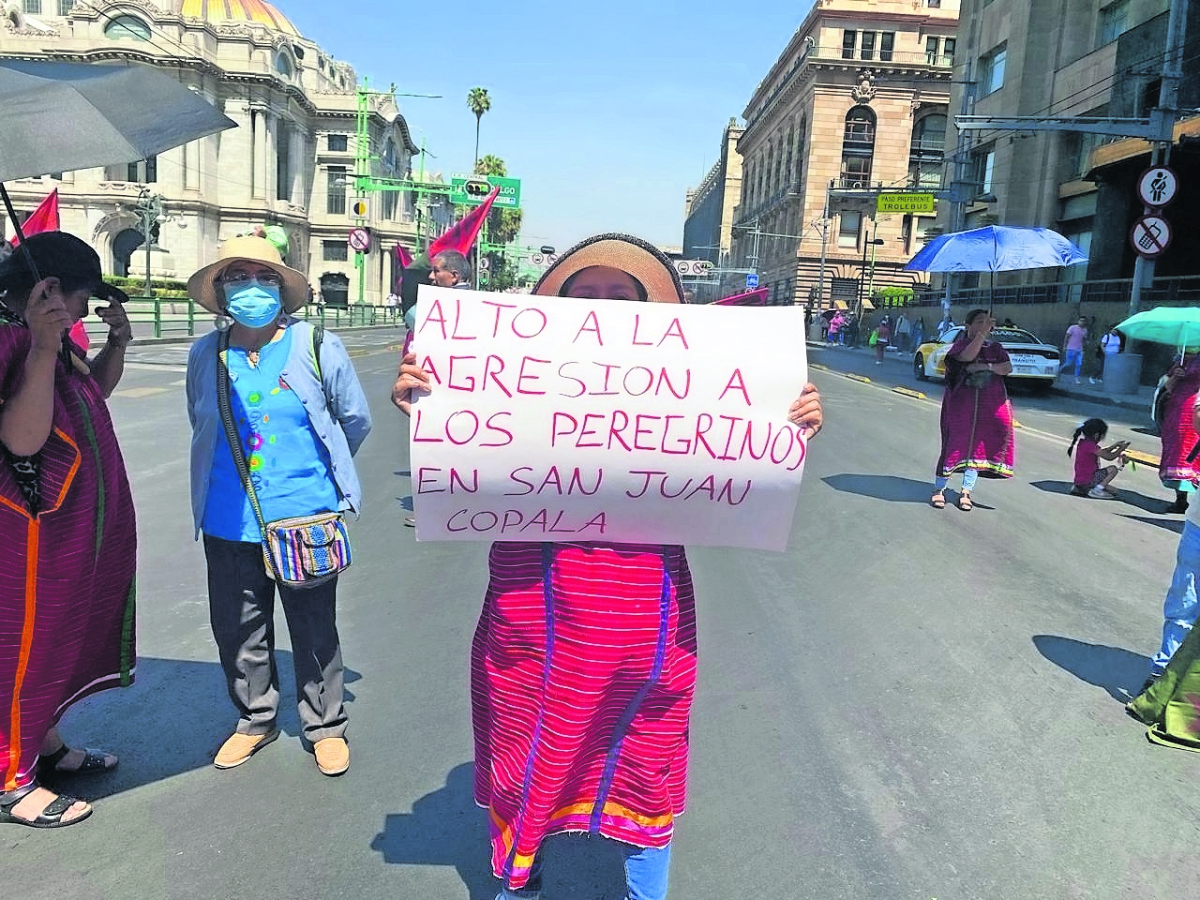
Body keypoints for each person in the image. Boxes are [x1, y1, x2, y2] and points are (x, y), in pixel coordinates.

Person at [392, 233, 824, 900]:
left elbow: (741, 459)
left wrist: (784, 421)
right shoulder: (497, 365)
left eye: (619, 299)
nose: (600, 312)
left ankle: (645, 893)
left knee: (647, 757)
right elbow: (464, 440)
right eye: (583, 297)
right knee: (523, 753)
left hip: (644, 616)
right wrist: (424, 400)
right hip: (529, 609)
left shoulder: (693, 381)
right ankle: (520, 881)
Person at [184, 236, 372, 776]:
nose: (252, 288)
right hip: (227, 516)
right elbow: (202, 426)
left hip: (304, 515)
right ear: (221, 291)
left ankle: (324, 725)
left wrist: (317, 477)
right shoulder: (205, 354)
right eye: (238, 277)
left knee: (314, 626)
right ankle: (255, 719)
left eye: (265, 277)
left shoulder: (317, 345)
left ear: (282, 289)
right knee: (238, 626)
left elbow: (353, 421)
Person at [0, 232, 136, 828]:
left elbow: (91, 391)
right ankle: (11, 778)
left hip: (68, 534)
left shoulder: (50, 339)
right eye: (83, 298)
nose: (86, 309)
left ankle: (44, 744)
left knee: (55, 642)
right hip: (27, 540)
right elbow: (23, 440)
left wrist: (116, 342)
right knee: (24, 649)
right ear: (50, 290)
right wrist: (41, 346)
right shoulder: (14, 340)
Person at [931, 308, 1015, 511]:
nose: (983, 325)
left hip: (989, 406)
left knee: (978, 448)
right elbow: (967, 356)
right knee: (955, 445)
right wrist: (981, 336)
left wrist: (986, 367)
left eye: (987, 322)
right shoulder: (960, 346)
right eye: (978, 321)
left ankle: (966, 491)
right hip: (961, 406)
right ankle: (939, 489)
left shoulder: (995, 348)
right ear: (968, 326)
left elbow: (1006, 368)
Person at [1156, 352, 1200, 514]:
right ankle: (1181, 499)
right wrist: (1176, 375)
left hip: (1196, 410)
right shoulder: (1182, 359)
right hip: (1178, 413)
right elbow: (1167, 386)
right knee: (1179, 453)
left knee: (1196, 456)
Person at [1067, 418, 1129, 499]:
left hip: (1080, 480)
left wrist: (1114, 446)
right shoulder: (1090, 446)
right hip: (1089, 479)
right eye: (1103, 435)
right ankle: (1097, 491)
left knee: (1114, 491)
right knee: (1113, 469)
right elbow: (1109, 457)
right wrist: (1121, 449)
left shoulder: (1084, 443)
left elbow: (1104, 452)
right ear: (1096, 435)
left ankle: (1081, 488)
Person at [1060, 315, 1088, 384]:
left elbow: (1084, 339)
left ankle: (1076, 379)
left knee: (1078, 364)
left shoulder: (1085, 330)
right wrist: (1064, 346)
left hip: (1079, 350)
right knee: (1068, 363)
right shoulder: (1072, 327)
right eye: (1081, 320)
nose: (1082, 322)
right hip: (1071, 348)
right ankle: (1058, 371)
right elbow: (1066, 337)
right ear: (1078, 321)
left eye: (1084, 321)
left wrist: (1084, 346)